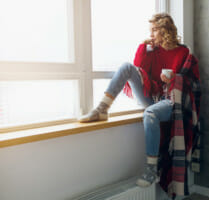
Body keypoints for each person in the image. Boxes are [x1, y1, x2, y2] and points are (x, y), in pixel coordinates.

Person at [78, 13, 189, 187]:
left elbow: (183, 78)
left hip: (169, 100)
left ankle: (151, 169)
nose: (151, 35)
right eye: (150, 31)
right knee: (126, 67)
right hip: (151, 96)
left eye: (154, 30)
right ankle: (102, 109)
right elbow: (138, 68)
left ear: (164, 30)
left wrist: (172, 79)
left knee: (150, 114)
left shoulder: (182, 51)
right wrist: (144, 49)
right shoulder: (153, 50)